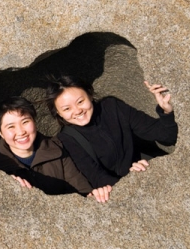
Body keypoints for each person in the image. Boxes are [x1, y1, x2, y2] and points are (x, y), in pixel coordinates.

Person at [45, 75, 178, 202]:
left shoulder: (112, 107)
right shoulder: (66, 139)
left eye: (80, 102)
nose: (77, 110)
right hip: (124, 190)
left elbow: (167, 136)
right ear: (59, 113)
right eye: (67, 109)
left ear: (90, 95)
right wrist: (131, 180)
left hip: (148, 168)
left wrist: (166, 111)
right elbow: (96, 177)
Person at [0, 96, 112, 201]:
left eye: (25, 122)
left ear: (34, 121)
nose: (21, 131)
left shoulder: (56, 148)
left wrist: (98, 194)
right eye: (11, 126)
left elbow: (82, 190)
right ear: (0, 133)